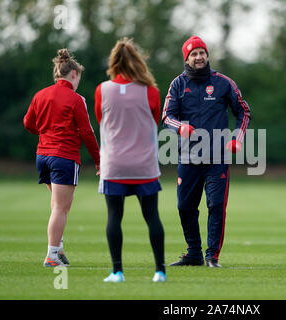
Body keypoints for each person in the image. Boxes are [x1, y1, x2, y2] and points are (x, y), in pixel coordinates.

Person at [162, 36, 251, 268]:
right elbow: (166, 117)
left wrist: (236, 138)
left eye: (202, 52)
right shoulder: (177, 84)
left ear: (208, 55)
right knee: (185, 207)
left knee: (216, 206)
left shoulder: (223, 83)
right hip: (187, 157)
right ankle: (193, 253)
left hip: (217, 159)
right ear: (187, 58)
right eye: (194, 54)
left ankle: (212, 256)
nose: (199, 57)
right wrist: (179, 126)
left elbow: (243, 111)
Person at [95, 38, 166, 283]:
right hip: (144, 165)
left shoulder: (102, 89)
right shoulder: (151, 91)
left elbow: (101, 120)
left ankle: (117, 272)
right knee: (152, 217)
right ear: (138, 62)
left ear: (114, 62)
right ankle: (160, 271)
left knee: (114, 217)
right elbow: (154, 121)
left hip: (114, 165)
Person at [23, 49, 100, 267]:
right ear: (73, 74)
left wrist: (46, 132)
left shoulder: (40, 94)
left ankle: (59, 249)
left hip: (42, 157)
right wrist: (99, 160)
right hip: (63, 157)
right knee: (61, 208)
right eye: (79, 78)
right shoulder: (76, 99)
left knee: (57, 205)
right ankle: (52, 255)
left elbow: (28, 124)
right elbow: (87, 132)